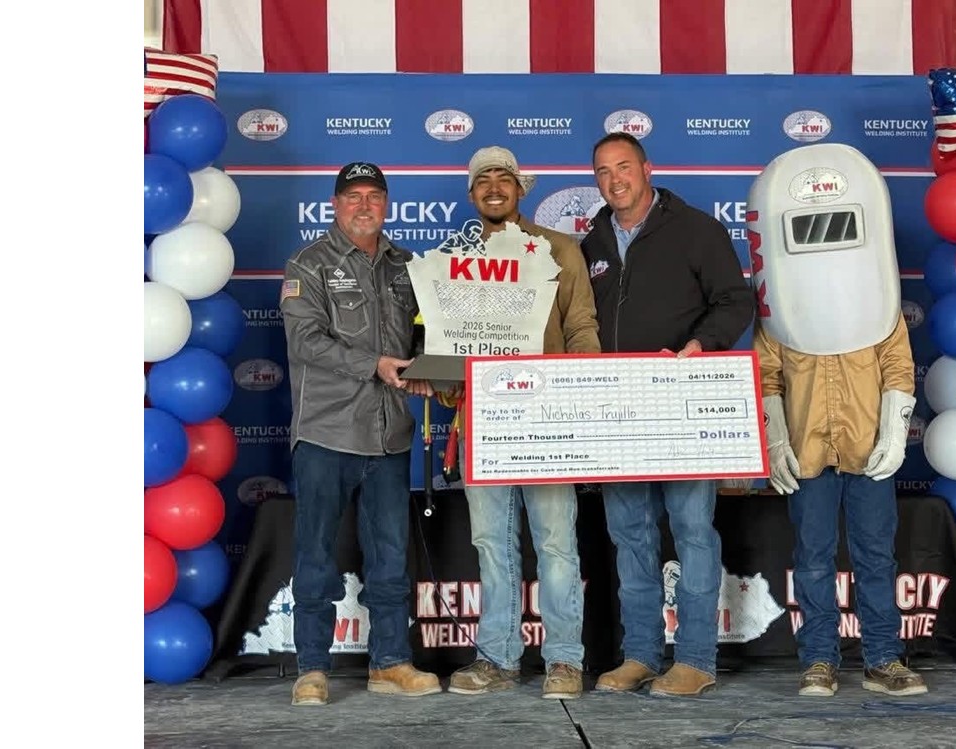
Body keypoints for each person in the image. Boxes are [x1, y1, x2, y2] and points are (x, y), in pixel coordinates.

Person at [748, 142, 929, 698]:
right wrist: (776, 440)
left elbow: (898, 365)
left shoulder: (876, 305)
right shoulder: (780, 311)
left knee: (876, 556)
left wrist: (894, 432)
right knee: (812, 559)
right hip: (807, 453)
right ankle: (819, 661)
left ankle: (883, 658)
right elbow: (767, 374)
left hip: (867, 450)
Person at [579, 132, 755, 697]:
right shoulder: (593, 241)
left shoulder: (696, 229)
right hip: (616, 410)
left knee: (692, 531)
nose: (615, 180)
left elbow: (735, 300)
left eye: (624, 167)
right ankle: (641, 655)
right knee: (630, 535)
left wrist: (700, 346)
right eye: (603, 171)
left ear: (647, 168)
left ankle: (696, 659)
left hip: (681, 406)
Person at [280, 161, 440, 707]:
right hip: (326, 432)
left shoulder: (408, 266)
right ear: (335, 205)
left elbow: (426, 335)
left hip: (390, 434)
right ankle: (312, 668)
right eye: (353, 196)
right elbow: (305, 341)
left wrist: (429, 368)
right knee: (316, 555)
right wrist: (374, 364)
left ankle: (390, 662)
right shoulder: (309, 263)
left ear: (387, 204)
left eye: (374, 195)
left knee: (391, 556)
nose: (364, 205)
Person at [446, 146, 602, 700]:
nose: (494, 187)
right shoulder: (455, 256)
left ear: (520, 189)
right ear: (472, 194)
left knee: (556, 542)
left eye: (504, 179)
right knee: (491, 543)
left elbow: (581, 327)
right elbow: (443, 338)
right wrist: (442, 379)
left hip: (546, 417)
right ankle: (498, 657)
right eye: (483, 180)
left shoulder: (560, 250)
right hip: (482, 418)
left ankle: (564, 659)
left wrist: (580, 397)